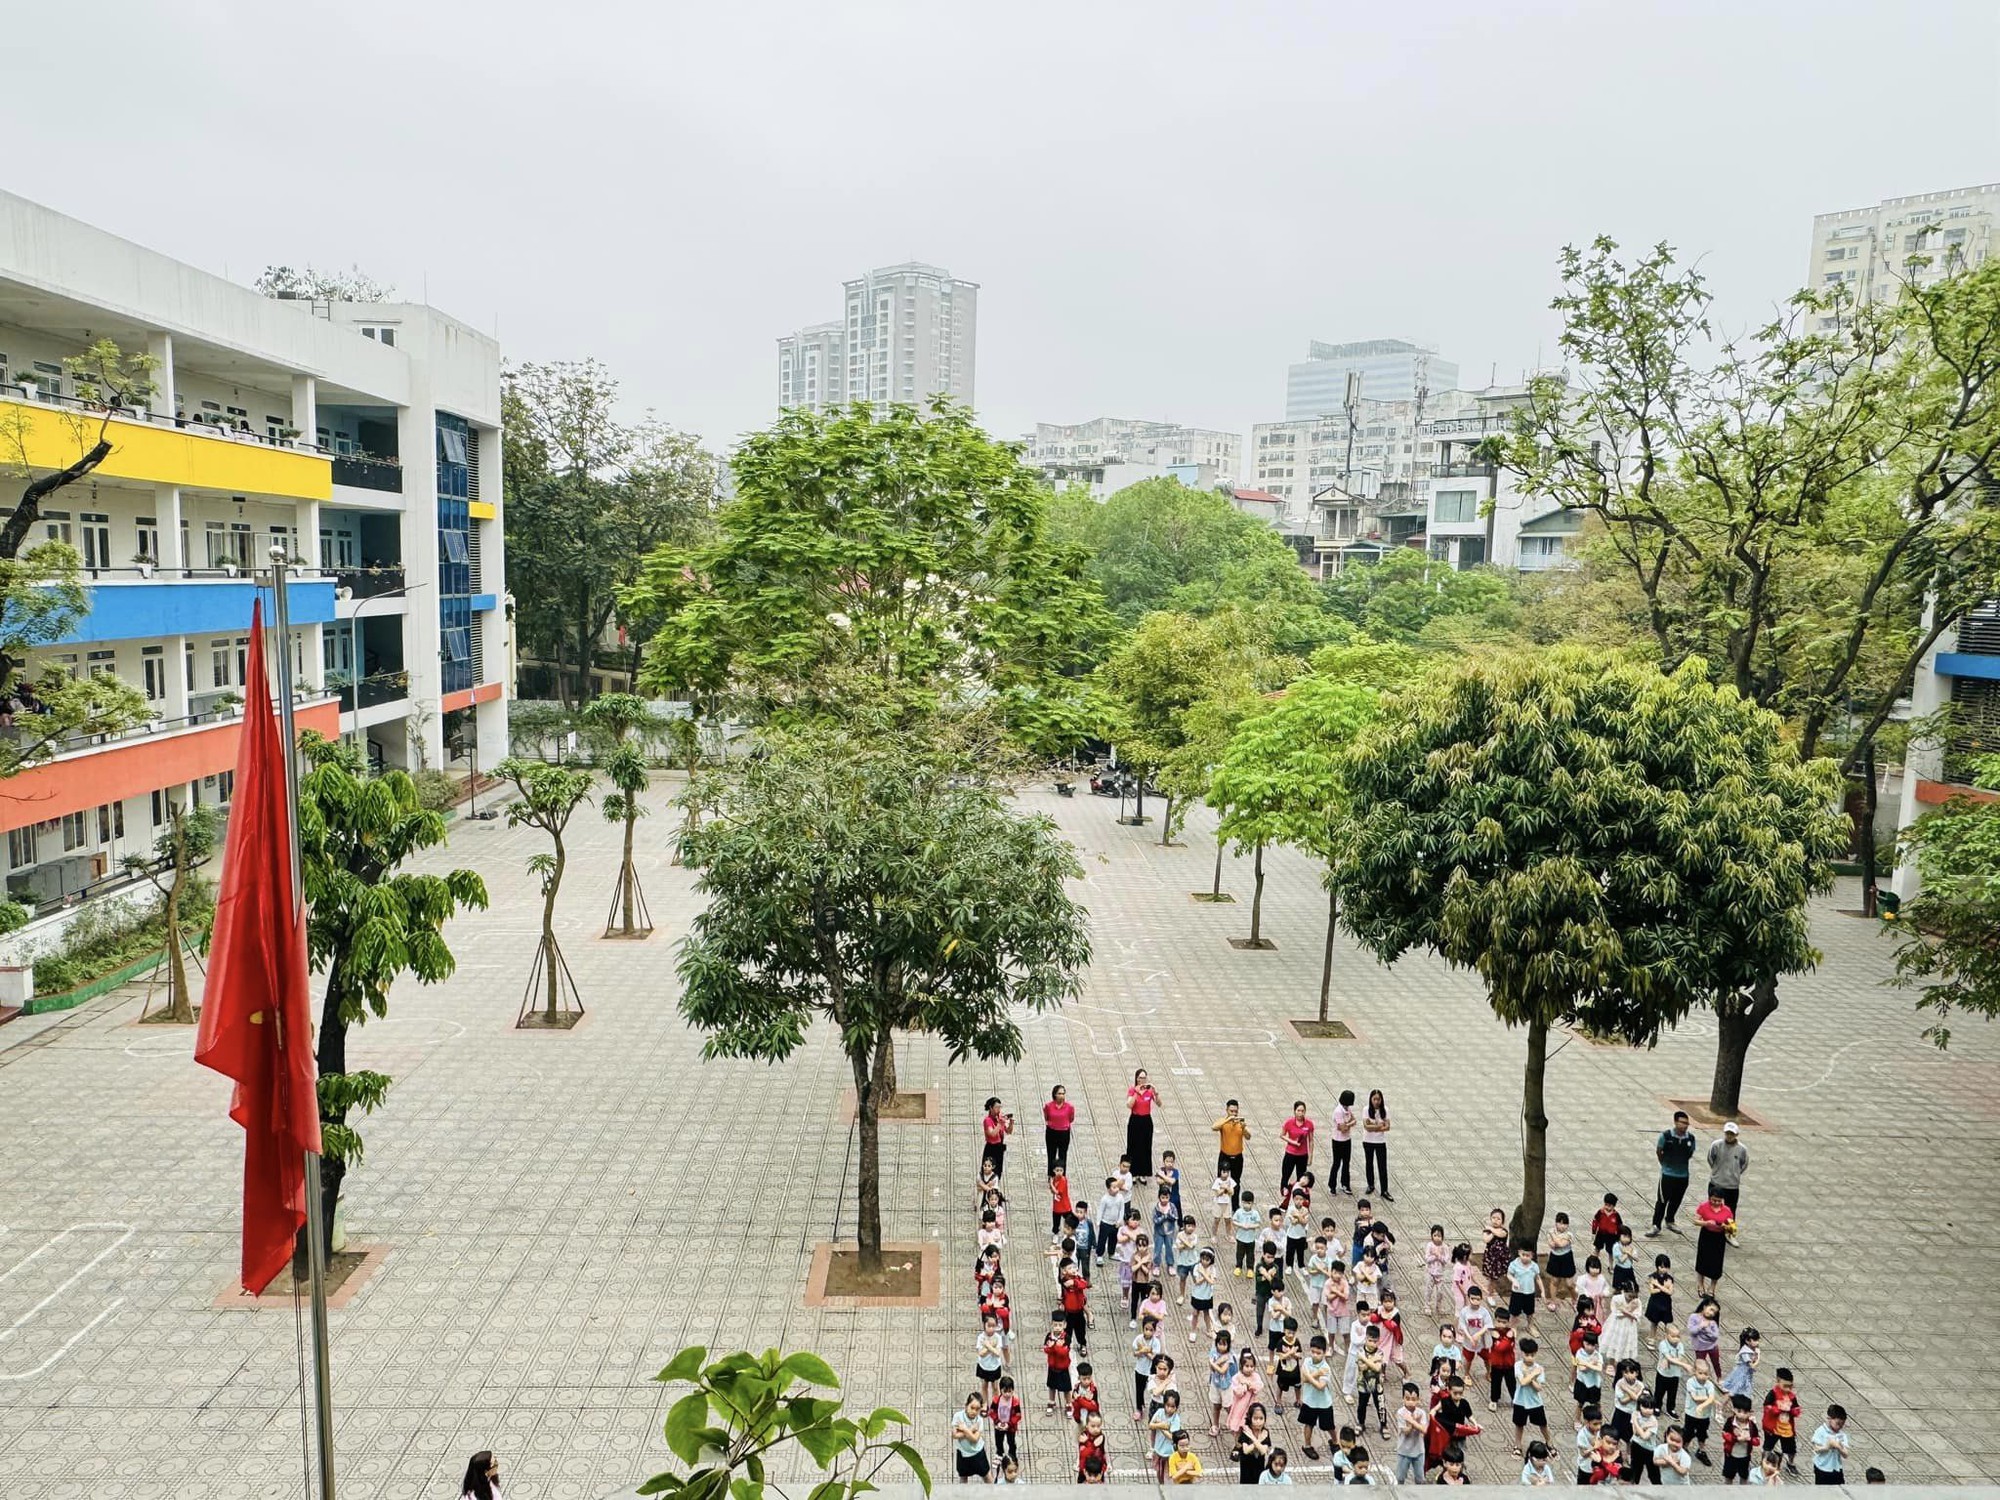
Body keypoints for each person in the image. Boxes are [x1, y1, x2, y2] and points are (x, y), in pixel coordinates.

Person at [1649, 1111, 1698, 1236]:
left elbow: (1690, 1154)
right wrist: (1665, 1165)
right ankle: (1656, 1225)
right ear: (1675, 1122)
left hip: (1683, 1175)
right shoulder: (1666, 1136)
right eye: (1682, 1122)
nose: (1685, 1125)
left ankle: (1670, 1220)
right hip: (1667, 1175)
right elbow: (1659, 1151)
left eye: (1687, 1123)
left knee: (1676, 1200)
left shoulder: (1690, 1138)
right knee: (1662, 1201)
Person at [1707, 1123, 1750, 1231]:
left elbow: (1744, 1164)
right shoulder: (1716, 1145)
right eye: (1727, 1133)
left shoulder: (1742, 1149)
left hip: (1732, 1185)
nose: (1729, 1136)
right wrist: (1717, 1172)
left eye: (1732, 1134)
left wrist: (1735, 1174)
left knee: (1731, 1210)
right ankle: (1712, 1228)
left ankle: (1729, 1232)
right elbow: (1710, 1159)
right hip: (1716, 1183)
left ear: (1736, 1135)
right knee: (1713, 1208)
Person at [1694, 1188, 1735, 1294]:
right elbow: (1695, 1220)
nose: (1716, 1203)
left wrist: (1726, 1226)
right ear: (1709, 1198)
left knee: (1716, 1262)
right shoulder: (1704, 1206)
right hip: (1706, 1235)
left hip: (1719, 1237)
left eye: (1719, 1201)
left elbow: (1731, 1225)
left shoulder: (1727, 1210)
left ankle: (1712, 1287)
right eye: (1714, 1200)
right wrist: (1706, 1223)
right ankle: (1700, 1284)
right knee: (1702, 1259)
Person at [1393, 1380, 1431, 1484]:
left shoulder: (1421, 1413)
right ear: (1403, 1399)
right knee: (1400, 1477)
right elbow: (1405, 1432)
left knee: (1420, 1478)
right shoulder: (1401, 1413)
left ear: (1418, 1399)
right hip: (1404, 1451)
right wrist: (1413, 1424)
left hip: (1419, 1451)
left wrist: (1411, 1421)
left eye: (1413, 1399)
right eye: (1407, 1399)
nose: (1410, 1402)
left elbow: (1424, 1430)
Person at [1126, 1069, 1160, 1181]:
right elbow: (1129, 1105)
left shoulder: (1149, 1091)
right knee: (1134, 1145)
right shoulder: (1132, 1090)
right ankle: (1133, 1172)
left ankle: (1143, 1172)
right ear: (1136, 1078)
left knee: (1145, 1146)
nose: (1142, 1080)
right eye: (1140, 1078)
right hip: (1135, 1120)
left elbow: (1159, 1103)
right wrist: (1136, 1093)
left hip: (1146, 1120)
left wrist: (1156, 1093)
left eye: (1144, 1078)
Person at [1361, 1088, 1393, 1199]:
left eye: (1378, 1099)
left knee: (1382, 1165)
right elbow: (1366, 1127)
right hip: (1368, 1141)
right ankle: (1370, 1184)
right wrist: (1379, 1126)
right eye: (1374, 1099)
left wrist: (1373, 1126)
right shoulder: (1366, 1110)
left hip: (1380, 1141)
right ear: (1370, 1100)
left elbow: (1387, 1127)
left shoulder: (1385, 1110)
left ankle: (1384, 1190)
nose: (1376, 1102)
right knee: (1369, 1163)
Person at [952, 1394, 990, 1484]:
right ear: (966, 1406)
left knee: (986, 1476)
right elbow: (954, 1435)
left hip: (978, 1453)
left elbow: (975, 1439)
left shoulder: (979, 1421)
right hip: (963, 1453)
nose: (974, 1411)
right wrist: (971, 1430)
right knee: (963, 1476)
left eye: (977, 1409)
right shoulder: (958, 1416)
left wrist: (964, 1429)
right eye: (972, 1408)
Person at [1279, 1100, 1315, 1190]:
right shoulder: (1289, 1123)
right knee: (1286, 1174)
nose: (1300, 1113)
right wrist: (1292, 1142)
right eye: (1298, 1111)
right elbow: (1282, 1135)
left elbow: (1311, 1140)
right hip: (1290, 1153)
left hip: (1302, 1155)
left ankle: (1298, 1192)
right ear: (1294, 1111)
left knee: (1301, 1177)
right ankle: (1284, 1191)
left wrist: (1310, 1156)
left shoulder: (1309, 1124)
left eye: (1302, 1111)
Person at [1235, 1402, 1274, 1482]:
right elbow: (1246, 1450)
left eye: (1261, 1418)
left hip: (1259, 1466)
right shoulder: (1246, 1431)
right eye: (1255, 1418)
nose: (1258, 1421)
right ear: (1250, 1418)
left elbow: (1263, 1451)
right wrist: (1258, 1441)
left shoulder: (1265, 1432)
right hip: (1246, 1466)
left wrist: (1253, 1438)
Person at [1329, 1089, 1358, 1193]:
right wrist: (1348, 1124)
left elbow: (1354, 1120)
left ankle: (1345, 1184)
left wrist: (1347, 1124)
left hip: (1347, 1140)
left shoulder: (1347, 1109)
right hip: (1338, 1140)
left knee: (1346, 1163)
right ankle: (1332, 1185)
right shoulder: (1338, 1111)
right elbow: (1343, 1129)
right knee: (1336, 1163)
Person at [989, 1376, 1023, 1467]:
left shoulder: (1015, 1401)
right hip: (999, 1425)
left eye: (1010, 1391)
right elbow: (991, 1412)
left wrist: (1009, 1424)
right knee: (998, 1441)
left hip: (1010, 1427)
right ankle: (999, 1454)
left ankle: (1012, 1455)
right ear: (1001, 1390)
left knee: (1011, 1441)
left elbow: (1018, 1415)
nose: (1008, 1394)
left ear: (1013, 1390)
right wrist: (997, 1422)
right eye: (1005, 1391)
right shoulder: (996, 1400)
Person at [1043, 1085, 1075, 1174]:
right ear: (1055, 1095)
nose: (1062, 1095)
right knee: (1051, 1154)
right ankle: (1051, 1174)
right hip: (1051, 1132)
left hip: (1064, 1133)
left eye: (1063, 1093)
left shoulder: (1069, 1107)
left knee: (1063, 1155)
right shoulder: (1048, 1106)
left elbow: (1071, 1119)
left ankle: (1062, 1174)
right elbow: (1047, 1117)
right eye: (1059, 1093)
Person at [981, 1097, 1015, 1181]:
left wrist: (1011, 1123)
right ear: (990, 1108)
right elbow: (992, 1134)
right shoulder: (987, 1120)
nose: (999, 1109)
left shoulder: (999, 1118)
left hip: (999, 1148)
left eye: (1000, 1107)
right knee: (988, 1173)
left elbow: (1008, 1131)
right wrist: (1000, 1123)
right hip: (991, 1148)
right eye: (996, 1107)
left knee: (998, 1172)